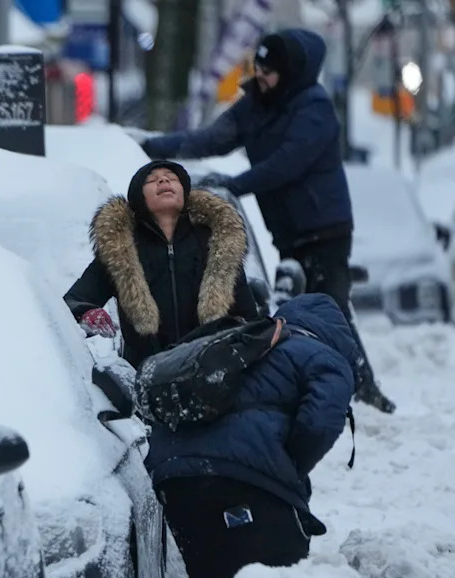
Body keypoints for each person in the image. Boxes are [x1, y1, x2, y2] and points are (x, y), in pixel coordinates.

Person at [139, 28, 395, 414]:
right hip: (288, 229)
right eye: (257, 66)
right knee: (310, 307)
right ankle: (339, 383)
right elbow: (214, 138)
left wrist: (234, 184)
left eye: (269, 70)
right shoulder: (258, 101)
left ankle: (365, 389)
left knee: (331, 308)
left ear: (289, 71)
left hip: (325, 227)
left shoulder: (314, 106)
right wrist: (151, 146)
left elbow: (288, 163)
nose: (261, 75)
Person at [146, 292, 358, 578]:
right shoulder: (326, 356)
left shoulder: (251, 343)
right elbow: (319, 422)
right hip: (242, 481)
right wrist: (290, 467)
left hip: (172, 479)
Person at [63, 160, 258, 368]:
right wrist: (87, 313)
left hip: (212, 375)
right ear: (139, 198)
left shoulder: (217, 245)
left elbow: (251, 324)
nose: (164, 180)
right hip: (148, 380)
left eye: (171, 178)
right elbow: (73, 302)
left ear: (185, 193)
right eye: (152, 180)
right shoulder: (120, 251)